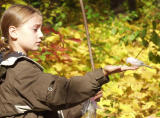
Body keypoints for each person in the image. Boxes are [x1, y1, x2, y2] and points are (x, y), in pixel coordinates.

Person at [0, 4, 138, 118]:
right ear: (13, 32)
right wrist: (101, 74)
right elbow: (61, 92)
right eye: (35, 29)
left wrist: (85, 105)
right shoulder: (20, 70)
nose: (41, 35)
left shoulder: (7, 66)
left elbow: (51, 112)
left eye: (41, 29)